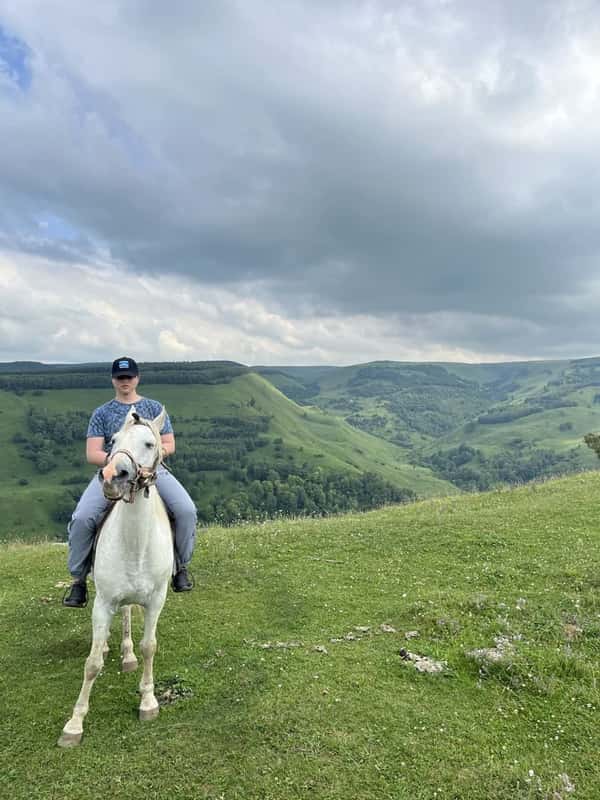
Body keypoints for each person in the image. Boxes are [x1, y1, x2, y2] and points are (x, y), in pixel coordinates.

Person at [62, 356, 197, 607]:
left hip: (152, 471)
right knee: (82, 518)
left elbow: (168, 444)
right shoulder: (101, 413)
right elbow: (93, 453)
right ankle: (78, 581)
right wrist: (120, 463)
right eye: (120, 377)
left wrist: (147, 462)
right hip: (114, 471)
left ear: (137, 378)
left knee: (186, 510)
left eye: (129, 377)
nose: (125, 381)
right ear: (113, 380)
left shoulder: (154, 408)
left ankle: (181, 567)